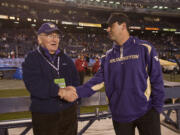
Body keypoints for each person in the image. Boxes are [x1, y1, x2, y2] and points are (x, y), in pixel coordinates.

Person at [63, 13, 165, 135]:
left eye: (111, 26)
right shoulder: (107, 56)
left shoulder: (144, 48)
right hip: (120, 115)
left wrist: (157, 109)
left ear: (123, 26)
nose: (108, 29)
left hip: (146, 112)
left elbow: (157, 80)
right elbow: (97, 82)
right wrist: (76, 92)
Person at [22, 22, 79, 135]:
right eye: (50, 35)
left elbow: (76, 80)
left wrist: (73, 90)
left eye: (57, 36)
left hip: (69, 113)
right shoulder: (32, 58)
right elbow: (34, 85)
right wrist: (60, 91)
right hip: (45, 115)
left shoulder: (66, 59)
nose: (54, 39)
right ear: (39, 39)